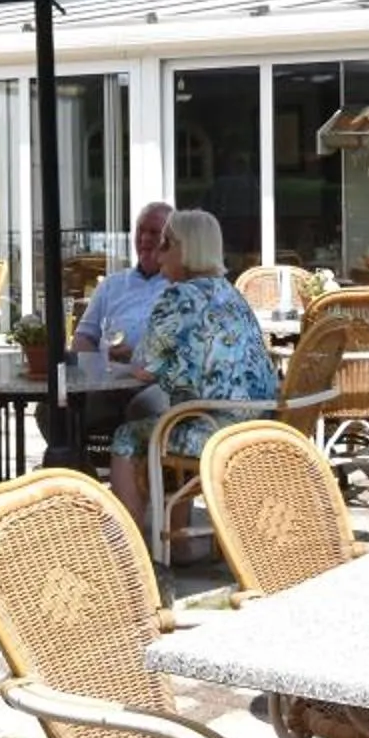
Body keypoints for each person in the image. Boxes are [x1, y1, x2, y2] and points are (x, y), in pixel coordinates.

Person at [110, 207, 278, 514]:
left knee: (128, 436)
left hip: (217, 428)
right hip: (261, 422)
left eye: (165, 244)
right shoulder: (230, 292)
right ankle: (179, 542)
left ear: (184, 249)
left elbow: (143, 370)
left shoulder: (178, 298)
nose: (158, 253)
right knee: (171, 415)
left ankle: (127, 549)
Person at [72, 201, 173, 357]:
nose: (145, 238)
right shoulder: (111, 285)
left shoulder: (182, 288)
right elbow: (83, 337)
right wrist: (94, 367)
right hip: (110, 378)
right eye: (141, 230)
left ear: (171, 241)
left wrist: (135, 360)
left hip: (157, 380)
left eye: (154, 232)